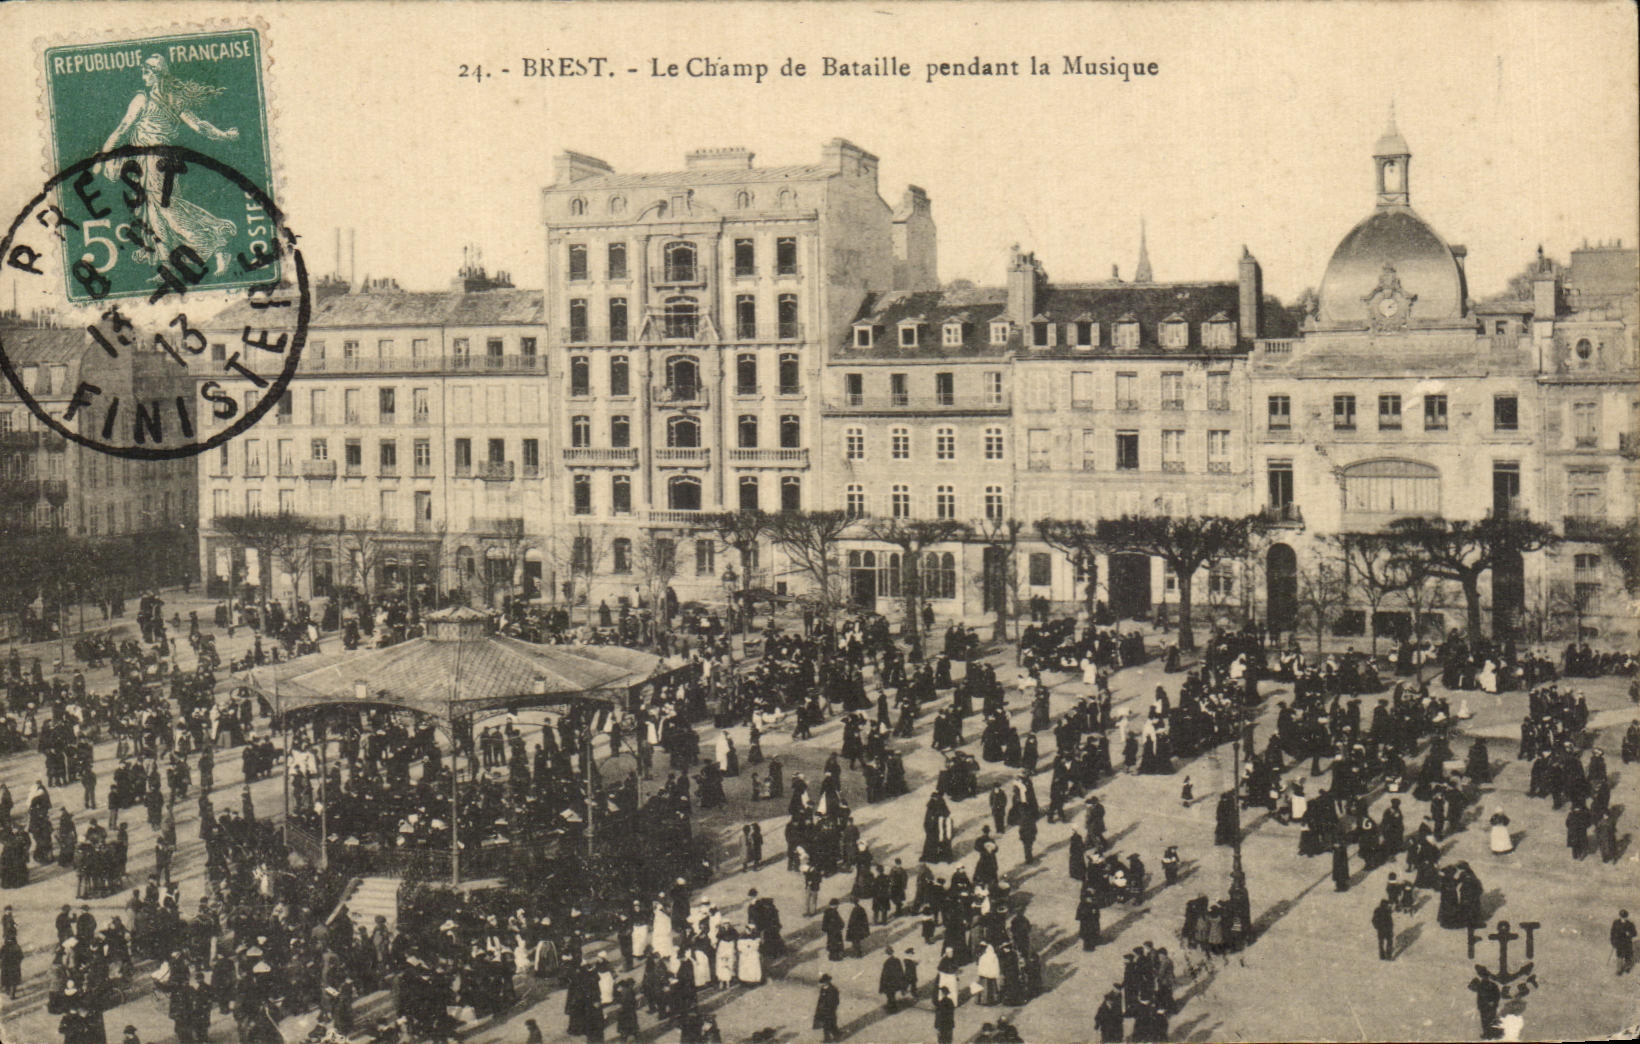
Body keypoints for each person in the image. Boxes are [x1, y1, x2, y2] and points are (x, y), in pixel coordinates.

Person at [813, 973, 842, 1042]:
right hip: (823, 1010)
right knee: (827, 1024)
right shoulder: (823, 989)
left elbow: (836, 1001)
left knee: (828, 1024)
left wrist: (832, 1008)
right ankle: (834, 1036)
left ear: (828, 982)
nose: (823, 984)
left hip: (830, 1010)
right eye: (822, 982)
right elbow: (820, 999)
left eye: (824, 982)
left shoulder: (833, 989)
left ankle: (830, 1038)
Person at [878, 946, 906, 1011]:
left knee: (890, 996)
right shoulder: (897, 960)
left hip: (889, 982)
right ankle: (893, 1007)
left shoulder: (887, 962)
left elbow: (884, 975)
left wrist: (882, 985)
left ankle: (892, 1008)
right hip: (895, 982)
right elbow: (900, 972)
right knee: (892, 995)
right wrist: (902, 983)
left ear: (887, 954)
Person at [1613, 910, 1637, 976]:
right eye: (1622, 917)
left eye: (1625, 917)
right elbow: (1613, 933)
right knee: (1619, 955)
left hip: (1627, 943)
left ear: (1627, 917)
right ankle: (1619, 970)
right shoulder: (1616, 923)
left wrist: (1630, 934)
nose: (1623, 918)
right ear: (1620, 916)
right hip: (1619, 942)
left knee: (1628, 955)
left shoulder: (1630, 924)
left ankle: (1627, 967)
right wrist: (1613, 941)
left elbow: (1635, 933)